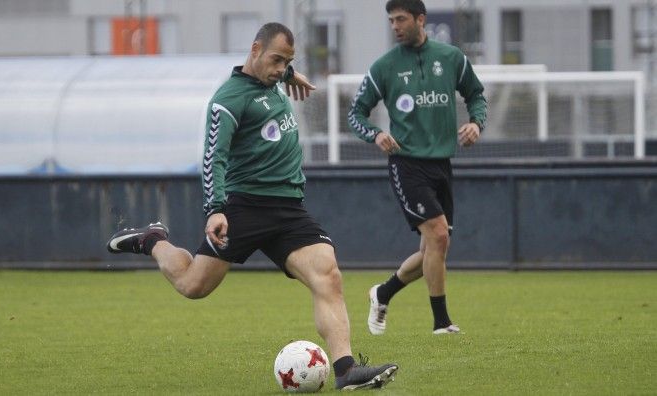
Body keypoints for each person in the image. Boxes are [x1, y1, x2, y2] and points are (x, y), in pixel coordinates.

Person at [106, 22, 398, 391]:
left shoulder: (273, 78)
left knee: (329, 275)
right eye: (276, 60)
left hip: (289, 208)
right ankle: (152, 240)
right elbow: (214, 158)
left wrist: (289, 72)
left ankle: (346, 371)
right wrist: (215, 209)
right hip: (242, 208)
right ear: (255, 49)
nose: (280, 69)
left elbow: (279, 71)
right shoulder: (228, 100)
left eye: (287, 62)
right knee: (194, 285)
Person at [348, 0, 487, 335]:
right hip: (406, 163)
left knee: (433, 249)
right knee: (438, 237)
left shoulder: (451, 58)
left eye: (401, 19)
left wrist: (477, 124)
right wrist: (376, 134)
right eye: (391, 20)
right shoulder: (384, 67)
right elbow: (356, 114)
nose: (395, 26)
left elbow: (477, 95)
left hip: (442, 164)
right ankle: (442, 323)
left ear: (420, 19)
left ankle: (382, 293)